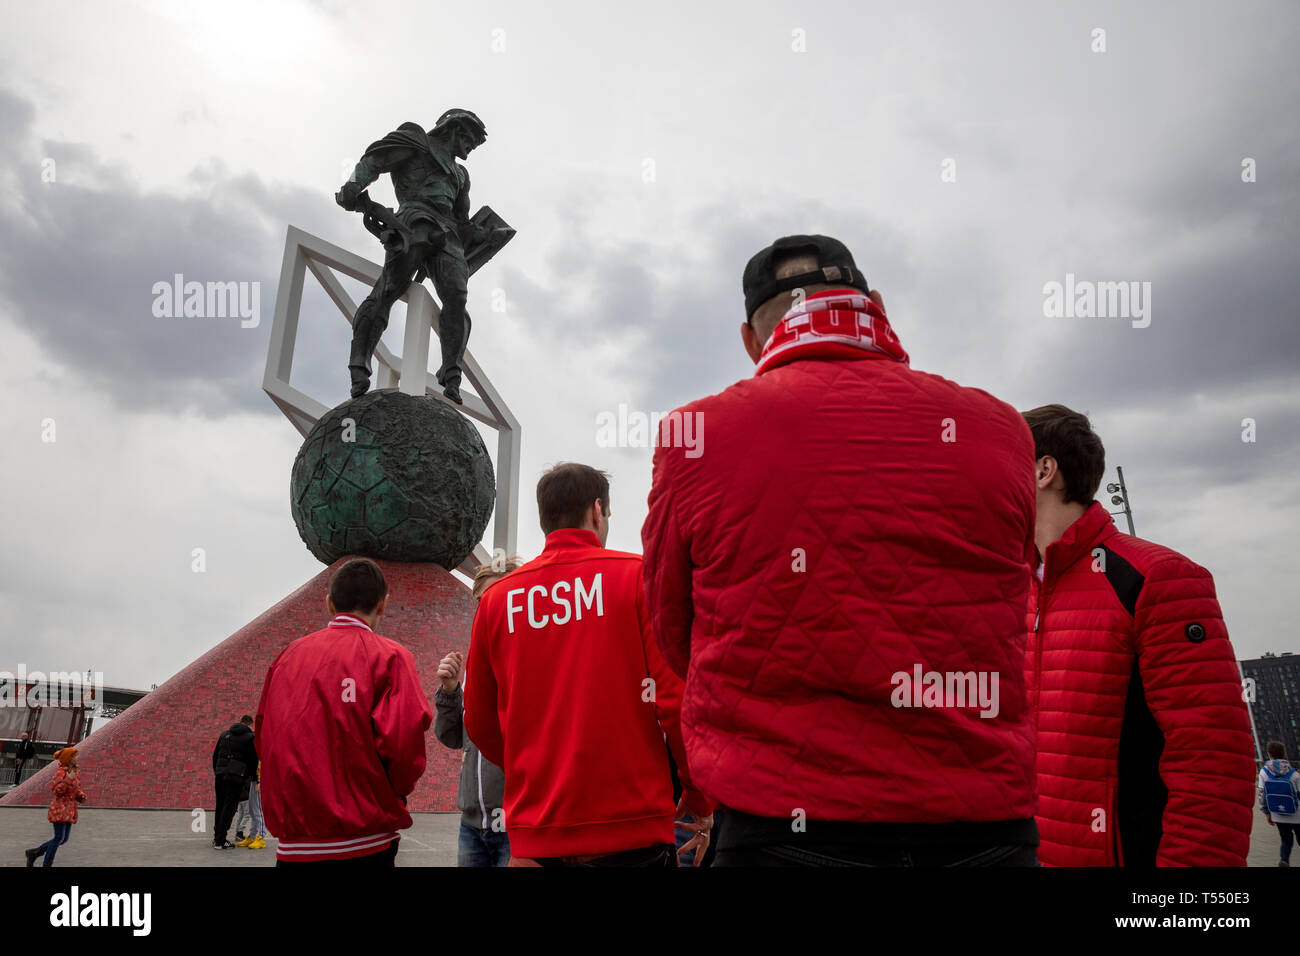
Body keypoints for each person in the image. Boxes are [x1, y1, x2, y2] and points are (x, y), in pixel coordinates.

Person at [643, 235, 1040, 867]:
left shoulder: (693, 437)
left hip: (782, 823)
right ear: (876, 304)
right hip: (985, 825)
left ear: (751, 341)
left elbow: (670, 630)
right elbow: (1023, 601)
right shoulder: (1001, 428)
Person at [1021, 404, 1254, 866]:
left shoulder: (1157, 578)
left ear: (1044, 470)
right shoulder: (1013, 590)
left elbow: (1212, 758)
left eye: (1002, 463)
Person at [465, 463, 714, 867]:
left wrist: (537, 774)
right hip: (630, 832)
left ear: (545, 518)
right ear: (597, 510)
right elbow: (677, 702)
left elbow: (479, 721)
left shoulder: (498, 601)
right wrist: (699, 794)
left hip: (537, 835)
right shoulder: (636, 578)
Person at [256, 558, 432, 866]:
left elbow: (265, 735)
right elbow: (404, 745)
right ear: (382, 604)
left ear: (328, 604)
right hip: (364, 842)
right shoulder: (391, 658)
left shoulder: (287, 658)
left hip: (295, 846)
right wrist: (392, 793)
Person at [336, 109, 490, 404]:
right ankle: (359, 364)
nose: (470, 149)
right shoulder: (415, 140)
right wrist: (353, 187)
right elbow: (373, 162)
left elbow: (462, 219)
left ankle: (451, 372)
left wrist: (485, 235)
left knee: (457, 296)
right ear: (454, 129)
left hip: (447, 234)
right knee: (388, 289)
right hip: (413, 221)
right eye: (469, 140)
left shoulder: (460, 175)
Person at [434, 557, 522, 867]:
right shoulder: (474, 669)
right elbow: (452, 736)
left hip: (516, 826)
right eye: (483, 602)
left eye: (499, 597)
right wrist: (449, 692)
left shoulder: (530, 664)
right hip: (471, 826)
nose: (489, 608)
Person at [24, 748, 85, 867]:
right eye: (74, 756)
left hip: (69, 809)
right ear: (68, 758)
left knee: (63, 839)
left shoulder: (73, 771)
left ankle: (34, 853)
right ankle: (47, 863)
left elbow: (73, 789)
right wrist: (68, 779)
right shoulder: (61, 772)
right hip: (60, 808)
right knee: (58, 838)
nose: (76, 759)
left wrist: (80, 795)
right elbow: (57, 791)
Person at [211, 715, 257, 850]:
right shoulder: (250, 737)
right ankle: (221, 840)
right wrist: (252, 777)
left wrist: (218, 771)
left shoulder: (224, 734)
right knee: (229, 808)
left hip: (220, 775)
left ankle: (216, 838)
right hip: (236, 776)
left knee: (220, 806)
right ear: (249, 725)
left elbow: (215, 756)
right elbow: (252, 760)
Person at [1258, 740, 1300, 867]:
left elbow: (1262, 795)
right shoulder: (1294, 773)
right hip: (1296, 813)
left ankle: (1284, 860)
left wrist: (1267, 813)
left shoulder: (1264, 772)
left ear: (1269, 754)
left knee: (1286, 839)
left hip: (1278, 813)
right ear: (1284, 754)